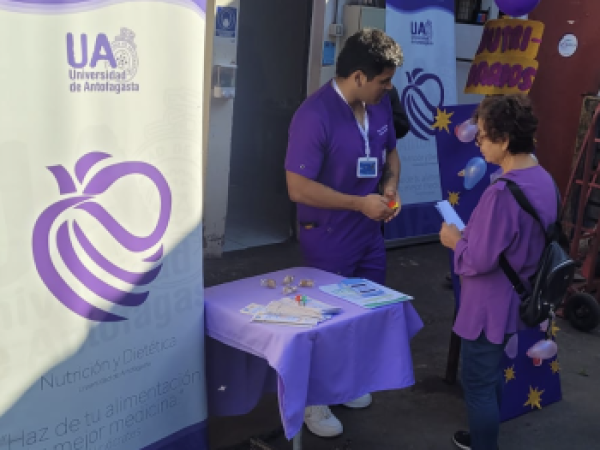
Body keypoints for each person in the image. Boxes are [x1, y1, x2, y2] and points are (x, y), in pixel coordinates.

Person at [284, 28, 403, 438]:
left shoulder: (379, 106)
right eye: (383, 80)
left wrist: (390, 186)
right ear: (358, 76)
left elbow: (390, 153)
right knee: (325, 318)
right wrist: (357, 203)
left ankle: (345, 382)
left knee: (364, 311)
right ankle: (312, 399)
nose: (389, 88)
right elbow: (297, 188)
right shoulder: (314, 115)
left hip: (369, 231)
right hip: (329, 232)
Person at [439, 95, 557, 450]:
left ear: (504, 140)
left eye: (483, 136)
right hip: (519, 293)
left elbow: (478, 260)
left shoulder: (502, 193)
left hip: (488, 303)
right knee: (490, 375)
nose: (478, 142)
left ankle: (484, 442)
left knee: (478, 383)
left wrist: (455, 241)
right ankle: (482, 438)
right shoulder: (543, 178)